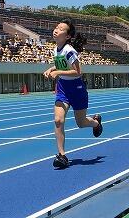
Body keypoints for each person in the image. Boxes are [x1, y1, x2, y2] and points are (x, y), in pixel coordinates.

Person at [43, 19, 103, 168]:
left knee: (81, 123)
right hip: (63, 88)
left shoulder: (69, 50)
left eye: (61, 29)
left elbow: (77, 71)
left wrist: (58, 72)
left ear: (67, 36)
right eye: (56, 26)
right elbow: (60, 65)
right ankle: (62, 155)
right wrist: (52, 69)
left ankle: (96, 122)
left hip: (76, 90)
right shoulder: (55, 49)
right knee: (58, 120)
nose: (56, 29)